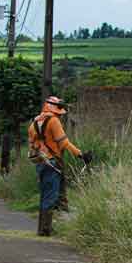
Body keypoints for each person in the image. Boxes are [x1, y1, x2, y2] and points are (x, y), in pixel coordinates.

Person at [27, 96, 91, 236]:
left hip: (40, 163)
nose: (60, 115)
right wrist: (80, 154)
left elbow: (32, 145)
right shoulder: (53, 121)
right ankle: (45, 229)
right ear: (53, 109)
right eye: (58, 112)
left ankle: (43, 228)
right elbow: (64, 143)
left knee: (45, 195)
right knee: (51, 196)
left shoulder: (34, 123)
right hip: (53, 162)